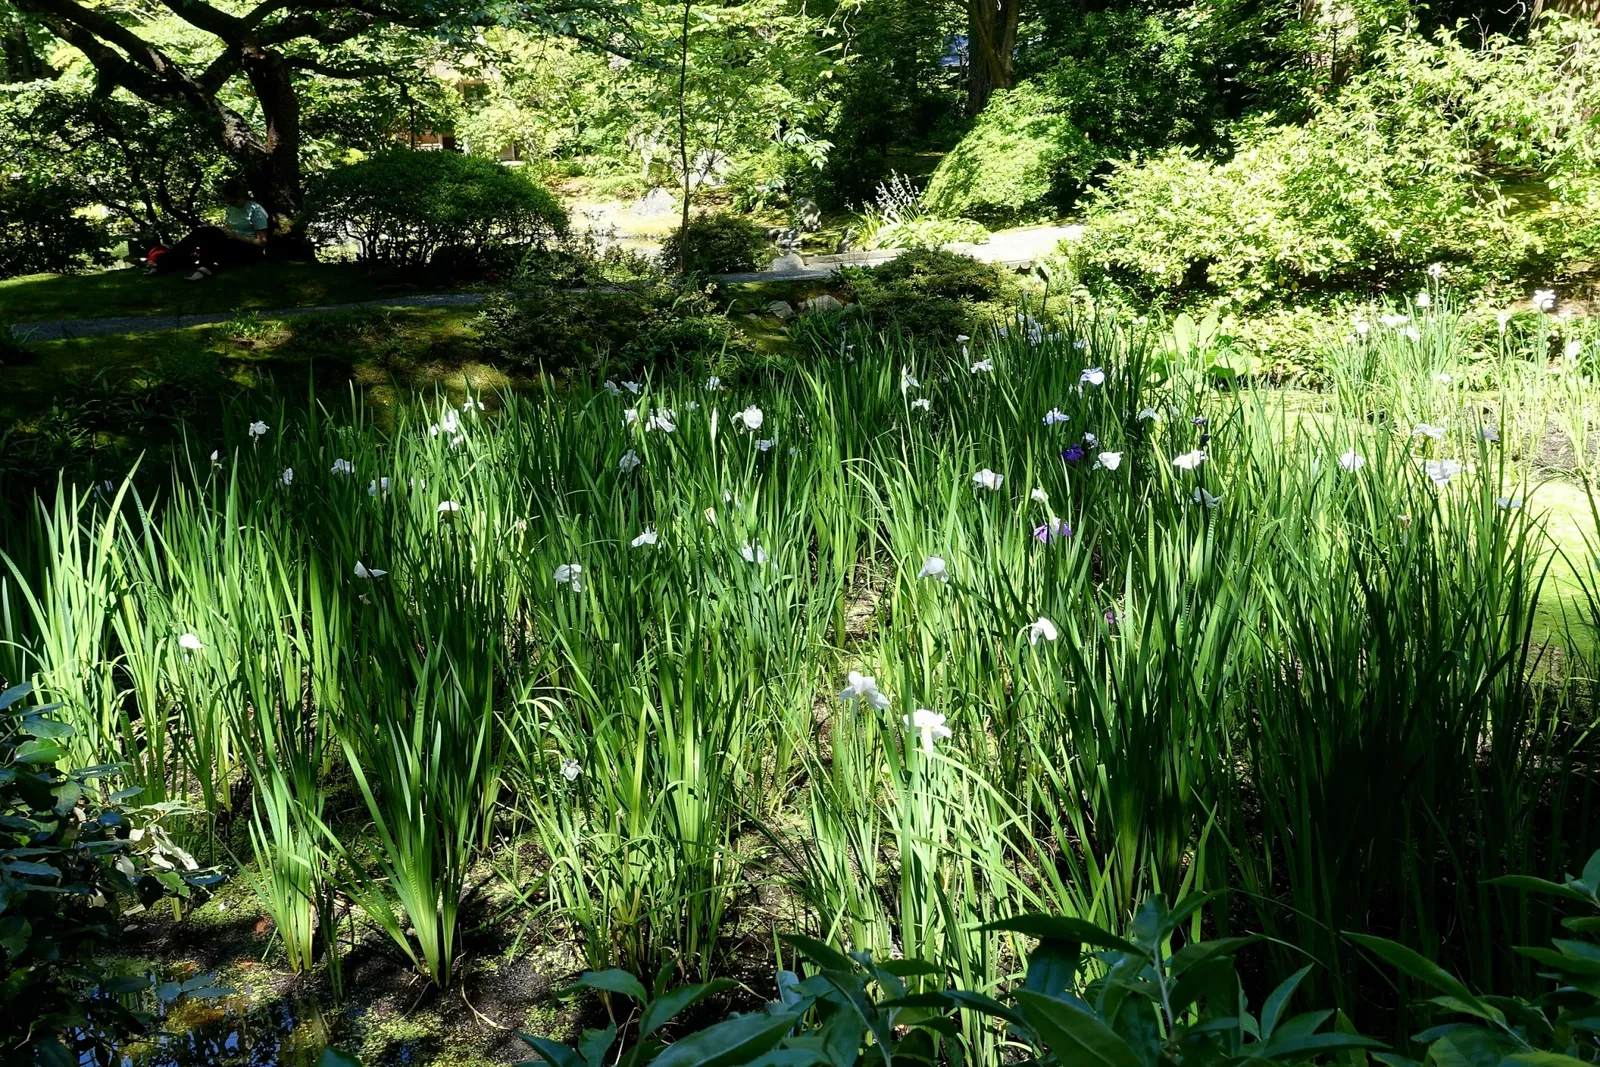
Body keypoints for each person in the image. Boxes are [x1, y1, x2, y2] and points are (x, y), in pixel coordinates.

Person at [148, 177, 269, 281]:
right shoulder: (231, 208)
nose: (232, 204)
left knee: (210, 234)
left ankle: (204, 268)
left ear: (242, 196)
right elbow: (231, 227)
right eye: (229, 202)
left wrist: (237, 236)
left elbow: (262, 242)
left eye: (234, 201)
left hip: (248, 250)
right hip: (232, 244)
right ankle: (163, 264)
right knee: (201, 233)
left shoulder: (255, 210)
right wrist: (224, 230)